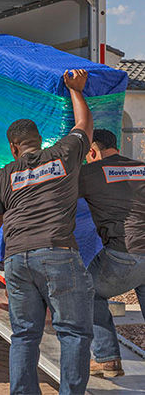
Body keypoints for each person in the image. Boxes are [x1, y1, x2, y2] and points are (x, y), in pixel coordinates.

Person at [0, 69, 94, 395]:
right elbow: (83, 125)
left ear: (13, 148)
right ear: (38, 140)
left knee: (25, 335)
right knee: (72, 332)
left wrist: (12, 206)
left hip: (16, 259)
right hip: (57, 254)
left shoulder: (3, 176)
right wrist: (76, 89)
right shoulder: (62, 154)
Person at [79, 128, 145, 378]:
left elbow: (56, 198)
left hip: (124, 253)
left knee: (88, 291)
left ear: (93, 151)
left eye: (87, 155)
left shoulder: (91, 172)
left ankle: (107, 358)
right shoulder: (141, 167)